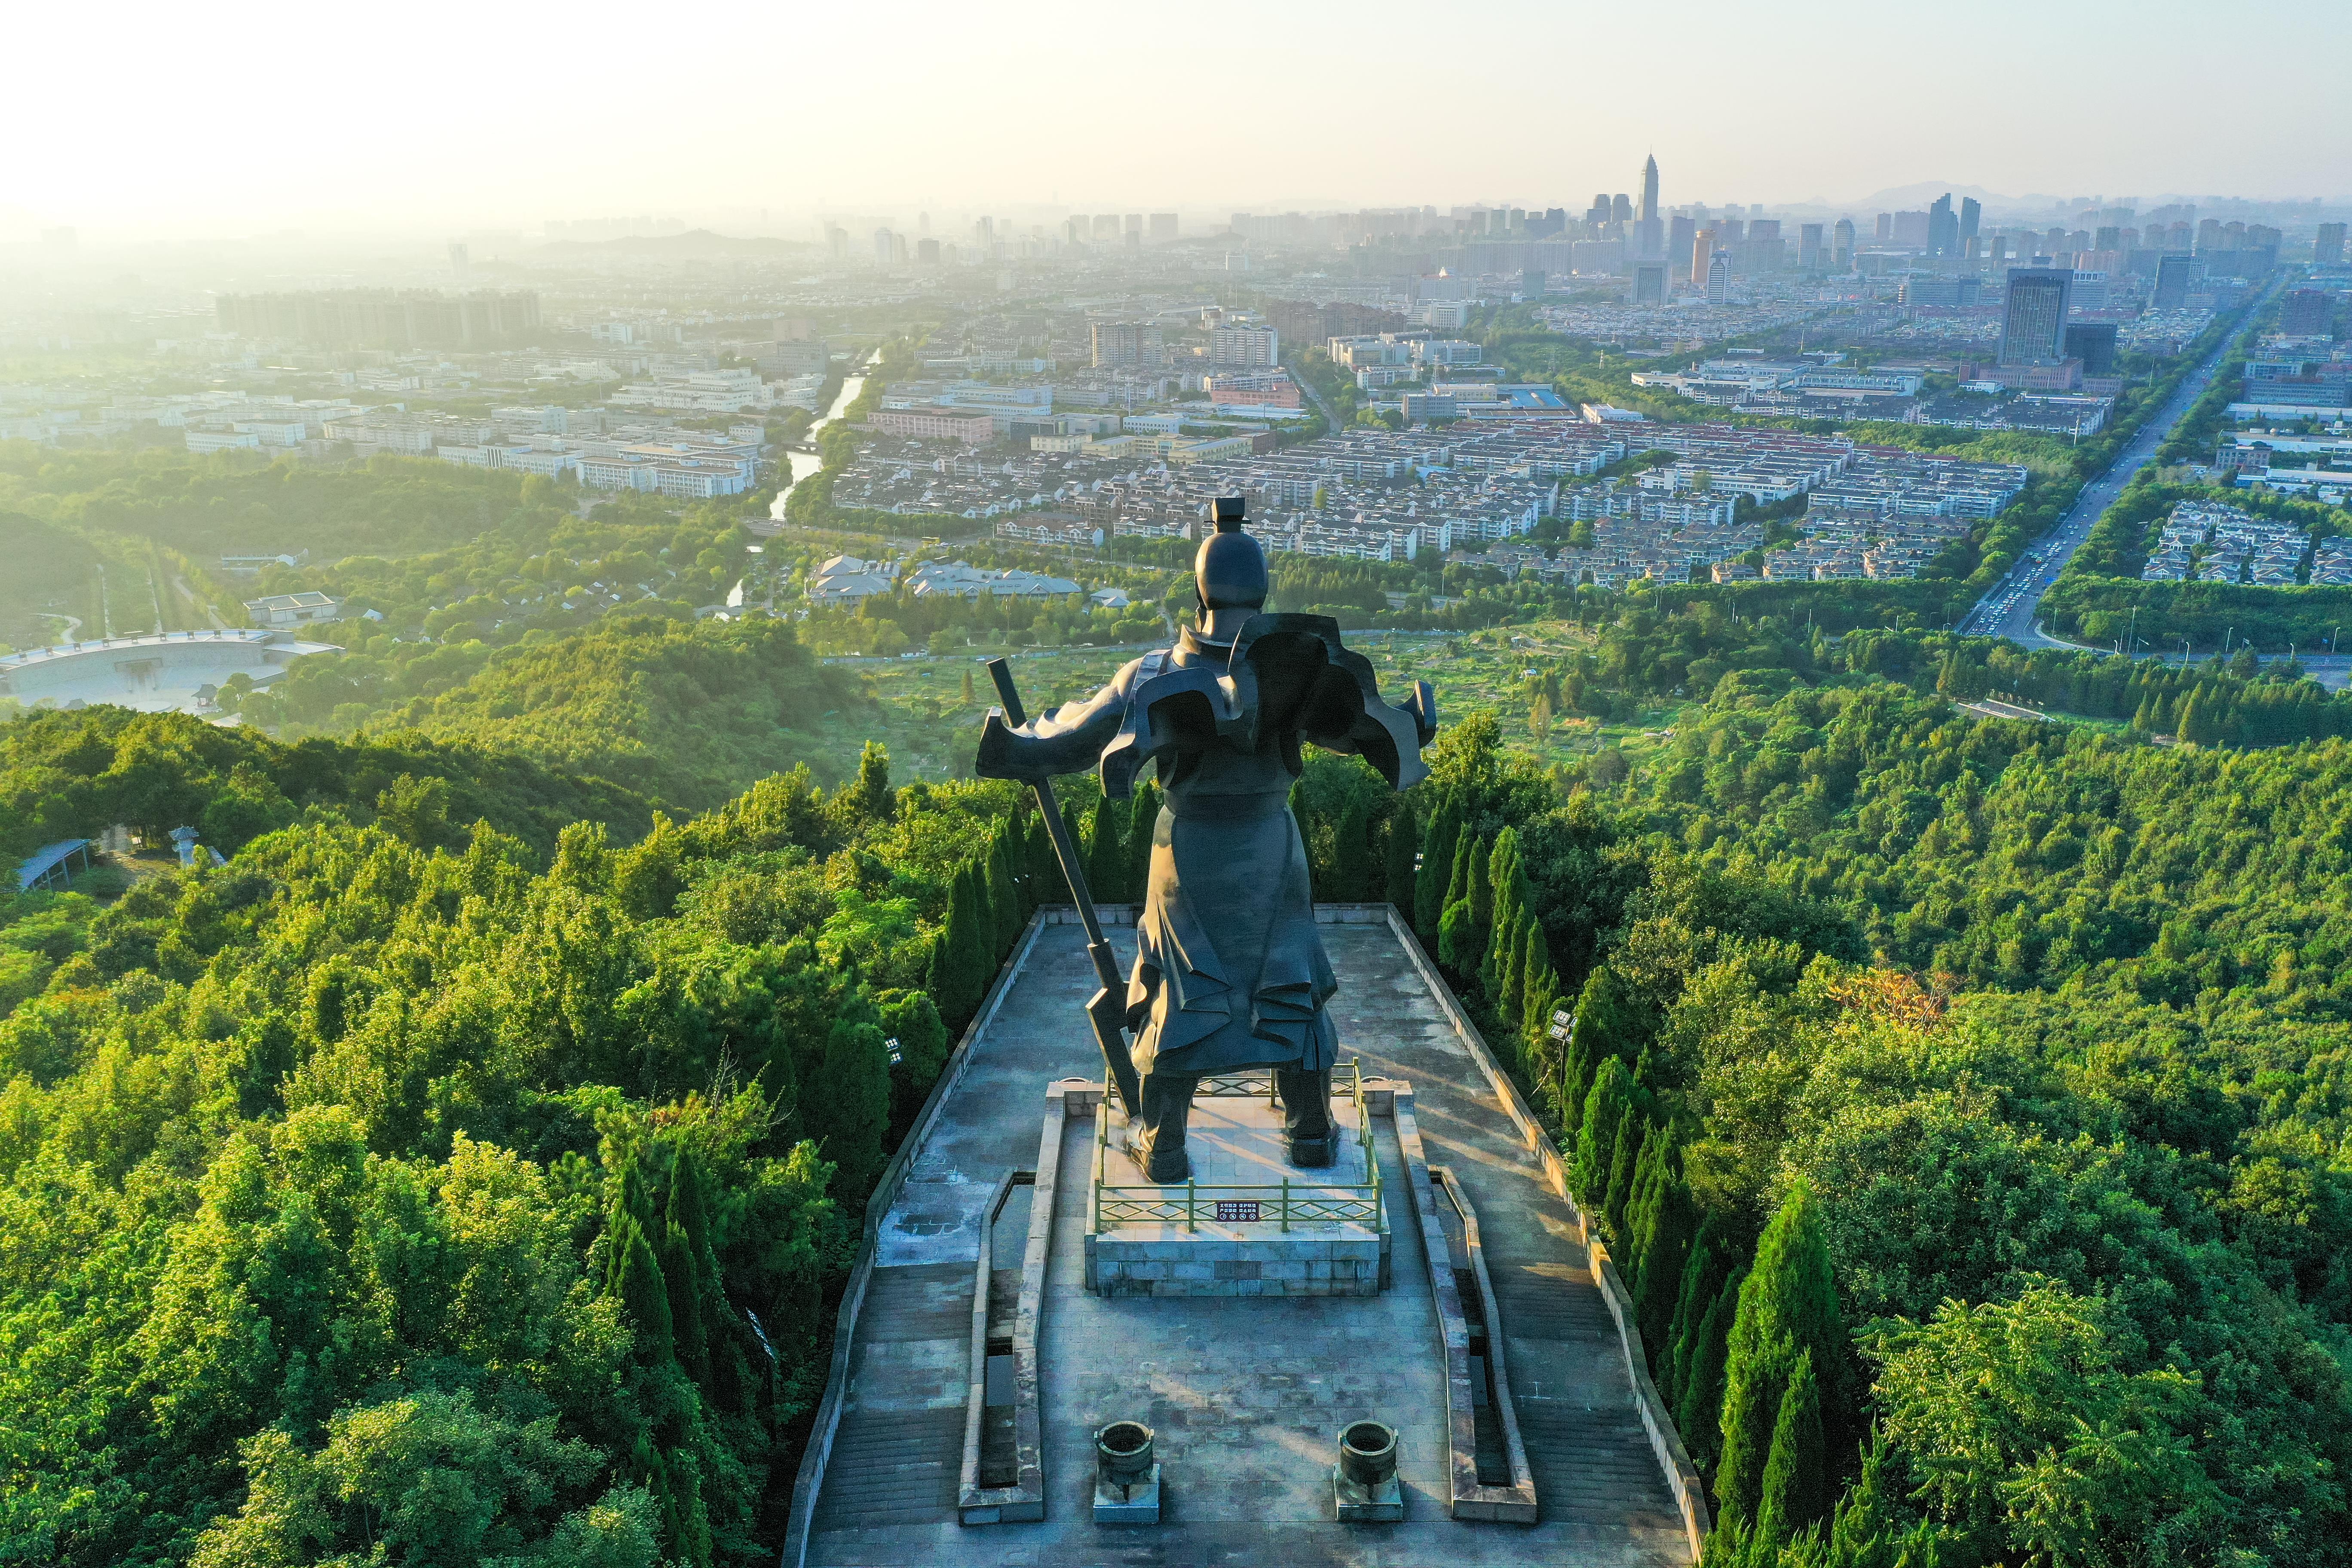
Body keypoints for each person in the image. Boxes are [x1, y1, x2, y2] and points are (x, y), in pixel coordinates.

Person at [976, 497, 1434, 1181]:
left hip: (1187, 854)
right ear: (1263, 588)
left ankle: (1163, 1144)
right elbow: (1385, 727)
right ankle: (1310, 1131)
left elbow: (1069, 741)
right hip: (1274, 850)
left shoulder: (1155, 673)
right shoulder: (1303, 667)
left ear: (1200, 590)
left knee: (1186, 991)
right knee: (1288, 978)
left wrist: (1014, 748)